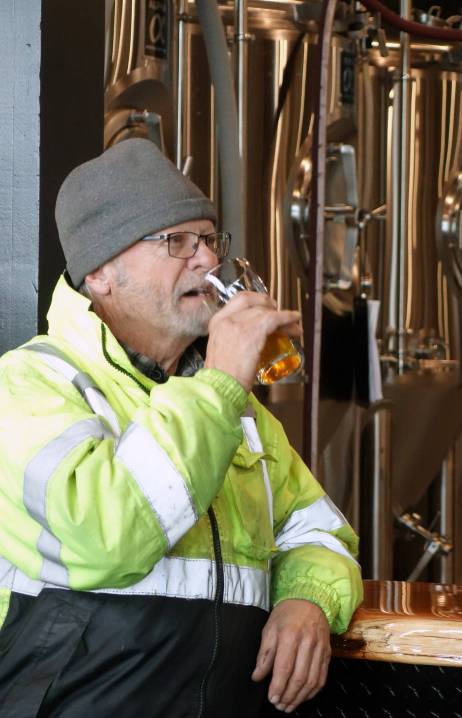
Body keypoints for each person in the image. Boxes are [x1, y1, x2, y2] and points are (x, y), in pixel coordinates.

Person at [0, 139, 362, 716]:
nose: (207, 262)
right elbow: (106, 536)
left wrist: (307, 599)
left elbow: (319, 530)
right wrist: (219, 382)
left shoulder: (236, 411)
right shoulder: (31, 387)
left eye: (209, 240)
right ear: (100, 272)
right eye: (176, 242)